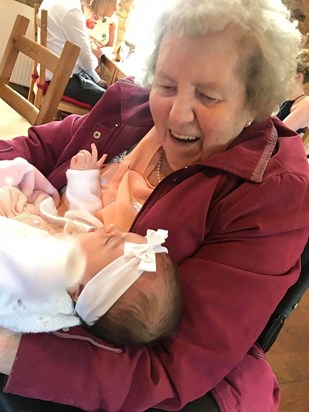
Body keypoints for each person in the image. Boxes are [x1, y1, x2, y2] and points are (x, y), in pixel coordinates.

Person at [0, 0, 308, 411]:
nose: (177, 115)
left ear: (255, 102)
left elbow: (173, 363)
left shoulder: (271, 193)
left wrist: (10, 349)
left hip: (136, 375)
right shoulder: (133, 107)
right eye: (166, 85)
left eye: (208, 95)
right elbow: (36, 146)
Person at [0, 219, 180, 346]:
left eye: (109, 239)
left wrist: (59, 264)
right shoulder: (77, 266)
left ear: (77, 290)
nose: (112, 225)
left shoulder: (42, 280)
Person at [40, 0, 107, 106]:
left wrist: (95, 77)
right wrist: (95, 59)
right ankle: (76, 122)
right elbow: (85, 60)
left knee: (103, 89)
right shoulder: (71, 11)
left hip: (49, 72)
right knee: (110, 101)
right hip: (61, 79)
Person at [276, 48, 309, 135]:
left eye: (288, 71)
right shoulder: (283, 94)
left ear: (298, 76)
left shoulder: (306, 103)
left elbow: (277, 134)